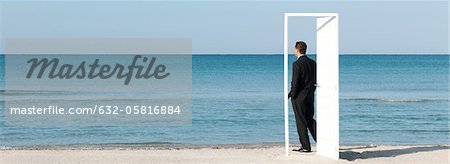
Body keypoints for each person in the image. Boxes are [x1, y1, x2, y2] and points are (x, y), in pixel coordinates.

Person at [288, 41, 317, 153]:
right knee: (309, 119)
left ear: (297, 49)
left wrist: (292, 94)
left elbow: (295, 82)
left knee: (301, 121)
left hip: (299, 97)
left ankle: (305, 146)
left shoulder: (297, 64)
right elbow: (314, 79)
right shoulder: (313, 63)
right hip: (309, 95)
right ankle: (322, 140)